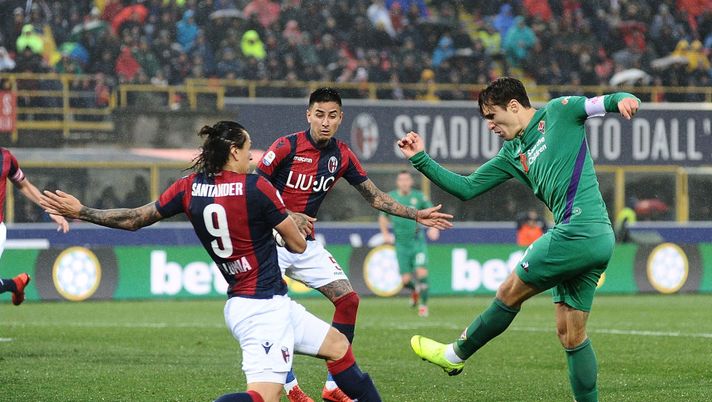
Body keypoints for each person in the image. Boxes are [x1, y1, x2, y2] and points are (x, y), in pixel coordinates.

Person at [40, 121, 382, 402]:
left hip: (250, 302)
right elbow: (295, 245)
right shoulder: (257, 189)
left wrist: (82, 211)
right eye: (248, 151)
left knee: (338, 348)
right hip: (262, 309)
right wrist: (286, 223)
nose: (253, 158)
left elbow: (134, 219)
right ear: (234, 151)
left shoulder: (188, 187)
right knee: (264, 397)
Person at [398, 77, 640, 402]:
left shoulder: (558, 112)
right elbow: (467, 188)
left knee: (508, 291)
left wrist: (623, 98)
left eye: (492, 116)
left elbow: (598, 103)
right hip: (593, 238)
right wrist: (421, 158)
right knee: (570, 334)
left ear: (513, 106)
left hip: (578, 230)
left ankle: (454, 355)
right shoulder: (512, 153)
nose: (490, 126)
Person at [256, 87, 452, 402]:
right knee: (274, 309)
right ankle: (290, 387)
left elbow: (374, 197)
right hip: (267, 241)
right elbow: (255, 187)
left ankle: (334, 386)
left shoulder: (342, 155)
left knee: (348, 300)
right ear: (308, 115)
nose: (325, 122)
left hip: (305, 244)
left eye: (332, 116)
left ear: (340, 118)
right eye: (319, 114)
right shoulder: (285, 146)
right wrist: (287, 214)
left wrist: (415, 214)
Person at [0, 147, 69, 305]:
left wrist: (50, 209)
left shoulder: (5, 158)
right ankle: (15, 284)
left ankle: (15, 284)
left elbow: (25, 186)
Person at [378, 170, 438, 317]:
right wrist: (385, 234)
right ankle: (415, 290)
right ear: (398, 182)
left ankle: (423, 306)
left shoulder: (418, 197)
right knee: (405, 281)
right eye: (401, 180)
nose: (404, 183)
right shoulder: (391, 197)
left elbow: (432, 211)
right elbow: (383, 217)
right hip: (401, 244)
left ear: (411, 182)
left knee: (422, 272)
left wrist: (433, 228)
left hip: (417, 243)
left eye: (407, 180)